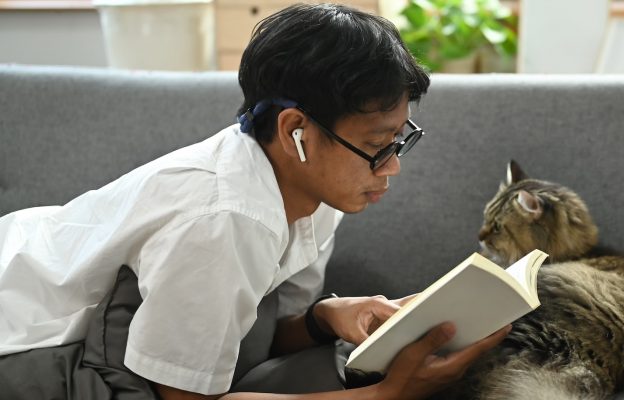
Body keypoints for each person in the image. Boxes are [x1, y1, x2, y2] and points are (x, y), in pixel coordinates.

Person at [0, 3, 509, 400]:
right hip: (26, 336)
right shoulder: (225, 219)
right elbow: (185, 398)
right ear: (296, 132)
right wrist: (389, 394)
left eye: (400, 140)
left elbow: (260, 335)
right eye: (378, 147)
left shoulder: (315, 191)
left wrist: (327, 316)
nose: (393, 166)